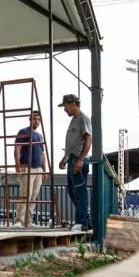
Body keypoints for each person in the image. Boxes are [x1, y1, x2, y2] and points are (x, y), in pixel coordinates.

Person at [57, 94, 92, 230]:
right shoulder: (74, 120)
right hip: (72, 158)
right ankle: (86, 221)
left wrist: (80, 159)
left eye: (65, 106)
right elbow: (73, 143)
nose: (64, 110)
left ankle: (81, 222)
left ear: (73, 104)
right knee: (72, 191)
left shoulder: (83, 118)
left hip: (79, 159)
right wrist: (65, 158)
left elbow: (88, 139)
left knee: (79, 191)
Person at [14, 111, 45, 227]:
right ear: (30, 119)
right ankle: (19, 220)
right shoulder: (23, 132)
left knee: (33, 196)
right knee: (25, 194)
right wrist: (17, 167)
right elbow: (17, 149)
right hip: (27, 167)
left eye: (38, 119)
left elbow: (42, 154)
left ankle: (28, 220)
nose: (36, 121)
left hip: (38, 169)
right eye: (34, 119)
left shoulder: (39, 135)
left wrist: (44, 169)